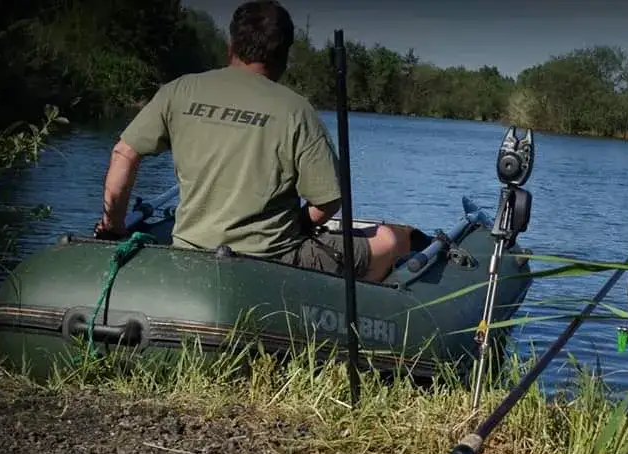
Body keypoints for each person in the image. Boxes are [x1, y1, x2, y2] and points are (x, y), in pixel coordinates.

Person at [93, 0, 410, 282]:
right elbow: (328, 200)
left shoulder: (179, 90)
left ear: (231, 46)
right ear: (283, 56)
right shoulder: (296, 109)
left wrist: (114, 225)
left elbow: (124, 153)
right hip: (272, 258)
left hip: (190, 248)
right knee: (390, 240)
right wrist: (299, 224)